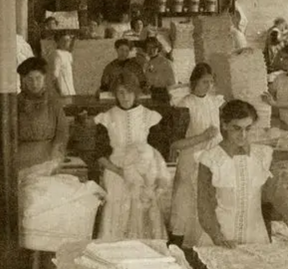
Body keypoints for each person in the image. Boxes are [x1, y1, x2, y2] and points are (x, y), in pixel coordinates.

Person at [195, 99, 288, 249]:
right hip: (220, 237)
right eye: (236, 128)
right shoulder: (210, 159)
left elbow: (278, 195)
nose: (243, 135)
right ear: (224, 125)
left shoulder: (262, 156)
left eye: (248, 128)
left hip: (256, 237)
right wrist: (217, 237)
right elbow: (205, 204)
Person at [94, 71, 167, 240]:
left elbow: (157, 150)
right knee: (117, 206)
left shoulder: (149, 116)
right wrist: (120, 171)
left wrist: (150, 174)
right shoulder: (106, 118)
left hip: (144, 172)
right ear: (115, 94)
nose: (125, 97)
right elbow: (99, 153)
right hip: (115, 171)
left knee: (143, 209)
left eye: (129, 92)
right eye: (120, 92)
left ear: (136, 93)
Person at [169, 63, 223, 246]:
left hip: (210, 159)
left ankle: (203, 238)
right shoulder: (185, 105)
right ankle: (181, 242)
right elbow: (175, 143)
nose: (208, 86)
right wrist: (202, 137)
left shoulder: (214, 101)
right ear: (194, 82)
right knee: (186, 201)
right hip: (190, 159)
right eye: (204, 82)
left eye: (211, 82)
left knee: (207, 199)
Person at [17, 57, 69, 173]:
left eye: (38, 78)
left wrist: (56, 160)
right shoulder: (16, 103)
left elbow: (62, 132)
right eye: (29, 79)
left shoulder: (53, 102)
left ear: (44, 78)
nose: (34, 83)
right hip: (21, 160)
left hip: (48, 158)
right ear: (23, 80)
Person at [144, 36, 176, 101]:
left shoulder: (165, 62)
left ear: (158, 48)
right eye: (148, 47)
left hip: (164, 95)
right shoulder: (147, 64)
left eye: (153, 48)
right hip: (152, 95)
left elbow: (172, 83)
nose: (151, 50)